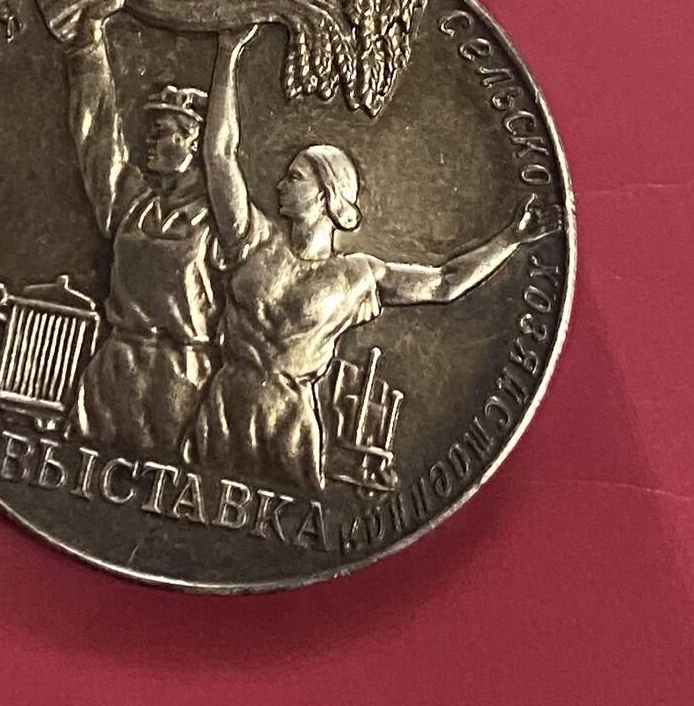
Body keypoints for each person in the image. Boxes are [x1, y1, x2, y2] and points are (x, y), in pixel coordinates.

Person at [194, 26, 562, 493]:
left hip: (289, 420)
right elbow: (220, 156)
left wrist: (510, 239)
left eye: (296, 177)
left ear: (327, 195)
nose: (281, 185)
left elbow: (444, 283)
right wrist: (228, 54)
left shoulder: (358, 276)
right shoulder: (252, 240)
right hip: (224, 404)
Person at [57, 0, 224, 458]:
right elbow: (96, 133)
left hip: (183, 378)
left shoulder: (222, 224)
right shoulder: (130, 203)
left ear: (194, 144)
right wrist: (90, 39)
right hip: (114, 369)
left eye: (163, 133)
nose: (149, 142)